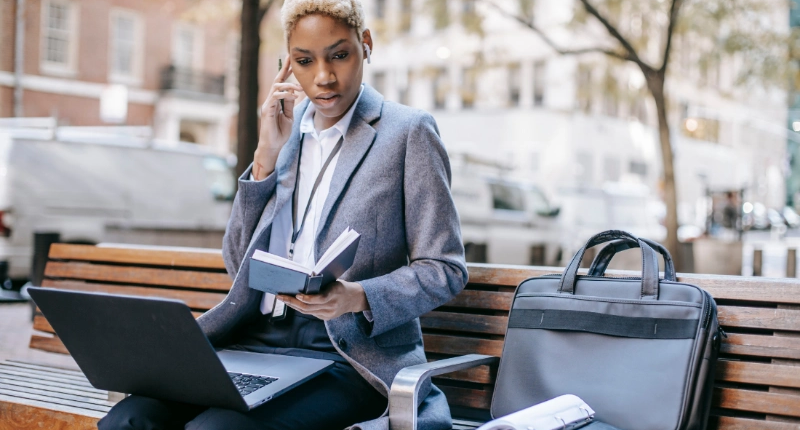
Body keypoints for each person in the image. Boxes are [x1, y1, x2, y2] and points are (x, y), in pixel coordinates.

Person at [97, 0, 467, 428]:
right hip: (254, 340)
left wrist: (357, 295)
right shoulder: (285, 133)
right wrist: (265, 157)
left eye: (339, 55)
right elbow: (238, 263)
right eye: (304, 61)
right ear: (287, 64)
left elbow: (445, 268)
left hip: (345, 355)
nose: (324, 77)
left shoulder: (407, 132)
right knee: (129, 420)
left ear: (366, 45)